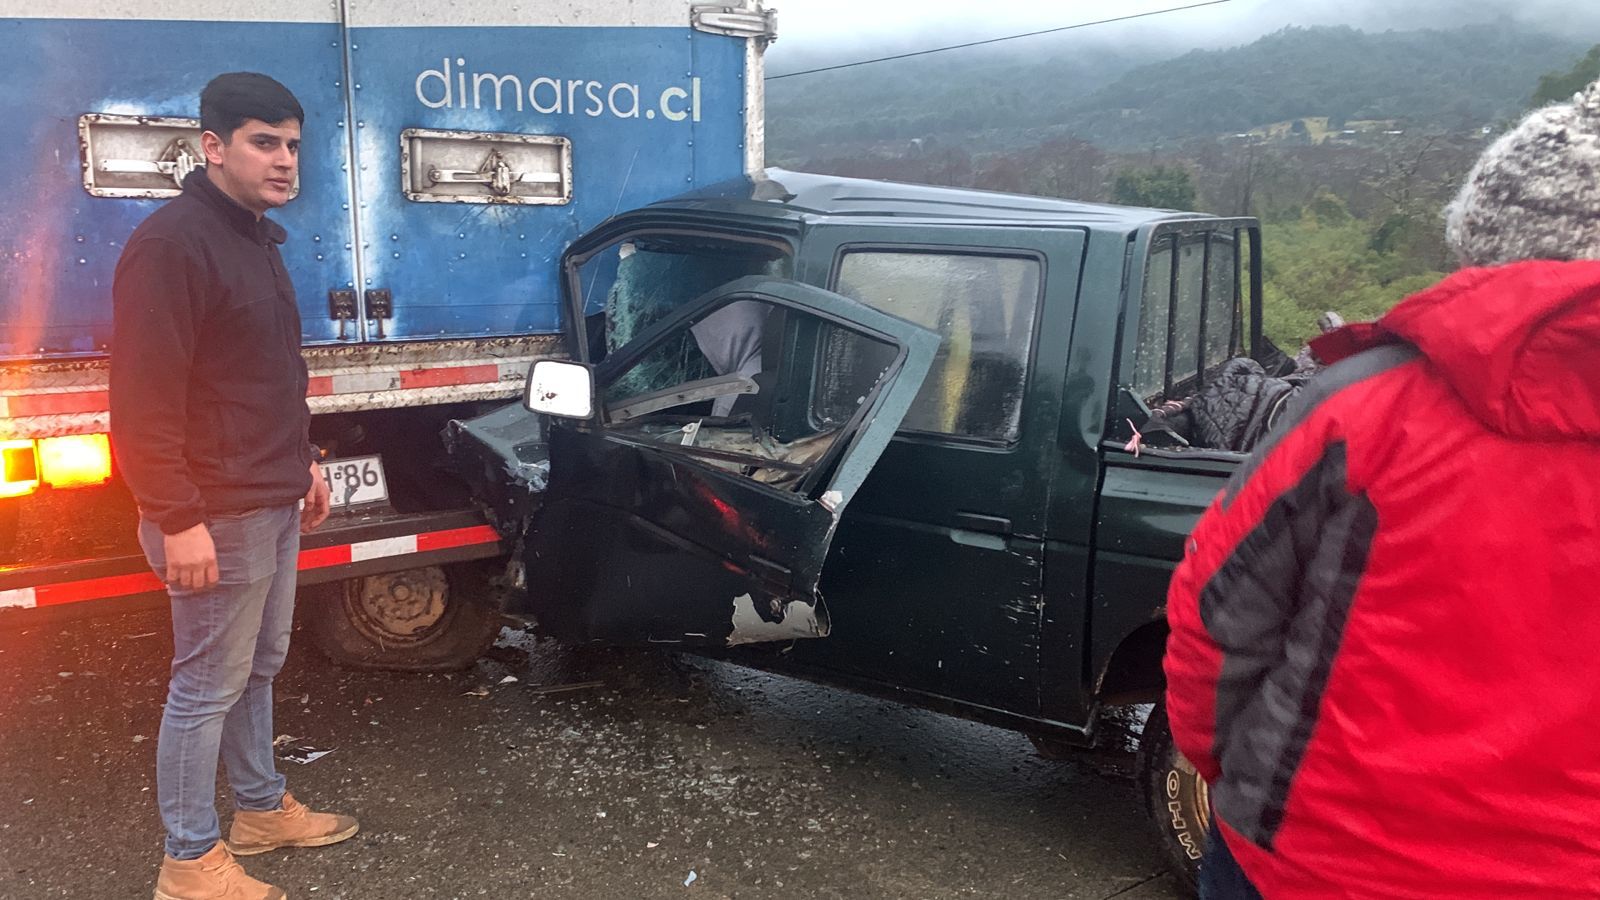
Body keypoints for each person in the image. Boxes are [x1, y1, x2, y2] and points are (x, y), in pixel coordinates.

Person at [1163, 77, 1600, 898]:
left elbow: (1217, 620)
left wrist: (1247, 784)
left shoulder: (1364, 406)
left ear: (1488, 242)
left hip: (1315, 860)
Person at [110, 72, 355, 900]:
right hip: (214, 510)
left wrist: (305, 465)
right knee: (205, 684)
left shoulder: (255, 238)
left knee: (260, 663)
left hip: (270, 495)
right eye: (264, 142)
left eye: (292, 145)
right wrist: (175, 518)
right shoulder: (173, 245)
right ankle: (187, 859)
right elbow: (144, 398)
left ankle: (258, 809)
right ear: (212, 147)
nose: (285, 160)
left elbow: (265, 377)